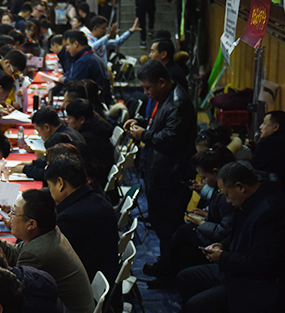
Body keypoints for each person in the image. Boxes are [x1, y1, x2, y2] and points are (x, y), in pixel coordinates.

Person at [174, 162, 285, 313]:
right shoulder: (251, 201)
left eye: (227, 194)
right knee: (187, 278)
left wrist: (223, 257)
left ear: (241, 187)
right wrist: (222, 246)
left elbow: (261, 264)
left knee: (198, 307)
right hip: (243, 271)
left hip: (268, 286)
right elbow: (239, 237)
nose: (227, 200)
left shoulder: (271, 211)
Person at [124, 60, 196, 264]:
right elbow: (159, 125)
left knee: (168, 226)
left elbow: (170, 139)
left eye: (148, 88)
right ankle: (166, 263)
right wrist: (141, 124)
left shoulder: (178, 103)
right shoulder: (164, 97)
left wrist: (144, 135)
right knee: (160, 223)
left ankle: (169, 269)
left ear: (162, 82)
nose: (145, 93)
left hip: (172, 176)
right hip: (160, 171)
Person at [145, 147, 236, 288]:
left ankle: (165, 270)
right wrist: (208, 215)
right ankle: (166, 271)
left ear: (216, 172)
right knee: (184, 234)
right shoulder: (220, 189)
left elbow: (224, 230)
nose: (203, 181)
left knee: (184, 232)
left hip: (222, 242)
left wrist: (201, 223)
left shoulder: (226, 195)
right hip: (217, 234)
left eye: (204, 177)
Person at [44, 155, 120, 313]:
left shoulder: (71, 217)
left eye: (50, 187)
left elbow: (49, 256)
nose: (50, 192)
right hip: (104, 284)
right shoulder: (97, 199)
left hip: (84, 299)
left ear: (60, 183)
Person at [16, 106, 84, 181]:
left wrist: (24, 169)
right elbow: (48, 163)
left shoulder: (61, 141)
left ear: (47, 127)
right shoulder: (68, 131)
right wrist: (31, 163)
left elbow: (52, 174)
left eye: (38, 131)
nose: (39, 135)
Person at [63, 98, 115, 181]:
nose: (67, 121)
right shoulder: (96, 125)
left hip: (96, 179)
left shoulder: (87, 138)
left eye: (69, 118)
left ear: (81, 120)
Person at [58, 30, 111, 104]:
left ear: (76, 44)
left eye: (68, 45)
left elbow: (75, 85)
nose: (66, 49)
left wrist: (64, 80)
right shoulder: (89, 56)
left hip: (91, 103)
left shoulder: (84, 61)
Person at [251, 110, 285, 191]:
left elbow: (253, 165)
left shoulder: (270, 143)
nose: (260, 127)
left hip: (271, 188)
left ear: (275, 127)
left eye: (264, 123)